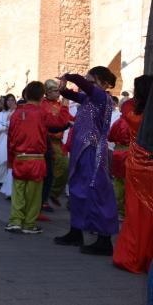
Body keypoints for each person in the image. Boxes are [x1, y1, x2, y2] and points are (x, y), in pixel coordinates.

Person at [54, 66, 118, 255]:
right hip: (81, 150)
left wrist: (71, 76)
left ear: (104, 84)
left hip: (93, 151)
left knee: (97, 191)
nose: (87, 84)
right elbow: (69, 93)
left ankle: (104, 240)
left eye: (92, 81)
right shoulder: (88, 98)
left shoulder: (101, 98)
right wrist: (63, 87)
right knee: (77, 190)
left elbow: (83, 85)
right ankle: (76, 231)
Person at [5, 81, 69, 234]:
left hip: (20, 157)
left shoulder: (15, 114)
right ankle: (29, 224)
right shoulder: (42, 113)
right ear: (42, 96)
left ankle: (15, 221)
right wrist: (65, 105)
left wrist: (11, 160)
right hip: (37, 159)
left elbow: (10, 139)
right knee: (34, 194)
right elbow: (61, 122)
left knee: (18, 192)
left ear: (26, 94)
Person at [113, 74, 153, 273]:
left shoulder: (130, 111)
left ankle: (131, 256)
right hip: (151, 167)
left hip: (135, 166)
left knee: (135, 214)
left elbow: (127, 103)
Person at [42, 79, 71, 209]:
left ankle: (52, 193)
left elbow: (68, 118)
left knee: (65, 169)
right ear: (47, 92)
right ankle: (44, 199)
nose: (58, 93)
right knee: (49, 171)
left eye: (58, 91)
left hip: (59, 143)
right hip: (47, 141)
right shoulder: (43, 104)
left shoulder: (59, 105)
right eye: (55, 91)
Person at [0, 93, 16, 197]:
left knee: (10, 162)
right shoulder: (2, 114)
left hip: (12, 139)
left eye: (12, 100)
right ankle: (1, 180)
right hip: (2, 139)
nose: (10, 102)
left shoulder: (17, 113)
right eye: (8, 100)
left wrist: (4, 126)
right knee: (1, 159)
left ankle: (8, 185)